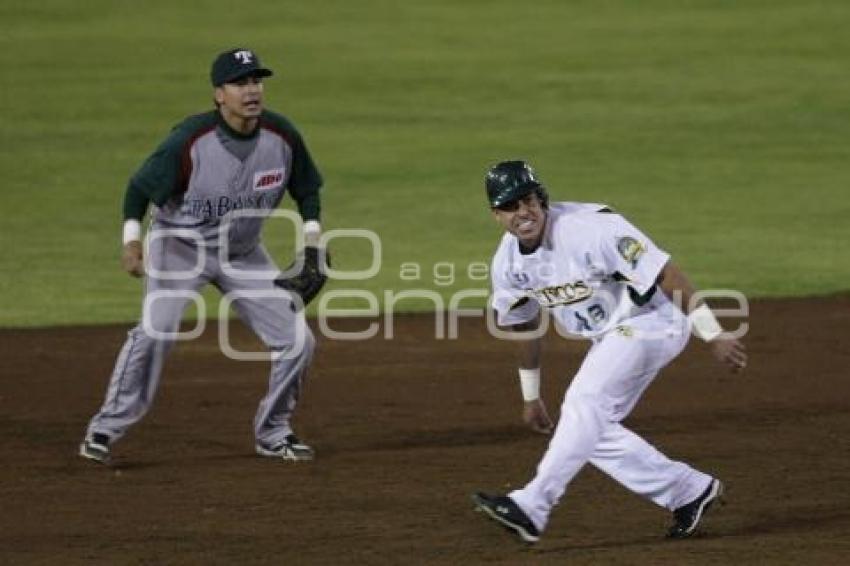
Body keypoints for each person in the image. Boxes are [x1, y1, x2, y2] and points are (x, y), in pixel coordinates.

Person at [472, 160, 747, 542]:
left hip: (655, 319)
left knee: (584, 402)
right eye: (511, 206)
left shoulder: (589, 230)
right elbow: (525, 324)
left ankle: (532, 506)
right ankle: (688, 491)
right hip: (614, 335)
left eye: (529, 200)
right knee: (585, 428)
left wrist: (712, 333)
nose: (523, 212)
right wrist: (531, 395)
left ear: (542, 198)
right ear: (496, 215)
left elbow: (665, 272)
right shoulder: (508, 263)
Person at [79, 48, 329, 465]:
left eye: (256, 81)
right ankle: (105, 427)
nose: (251, 90)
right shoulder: (190, 140)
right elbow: (139, 189)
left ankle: (274, 433)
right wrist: (131, 241)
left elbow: (307, 188)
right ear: (219, 94)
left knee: (298, 341)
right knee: (156, 331)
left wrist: (313, 238)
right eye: (240, 83)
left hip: (243, 254)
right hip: (179, 248)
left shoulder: (281, 136)